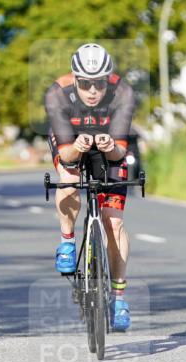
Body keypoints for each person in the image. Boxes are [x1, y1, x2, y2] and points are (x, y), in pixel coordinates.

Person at [44, 43, 136, 331]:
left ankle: (118, 299)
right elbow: (66, 154)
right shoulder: (58, 94)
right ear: (75, 79)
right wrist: (78, 146)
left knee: (114, 223)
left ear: (108, 80)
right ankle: (67, 241)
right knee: (69, 179)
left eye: (100, 83)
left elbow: (119, 154)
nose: (93, 90)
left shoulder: (123, 93)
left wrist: (109, 147)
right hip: (71, 141)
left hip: (109, 145)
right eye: (85, 83)